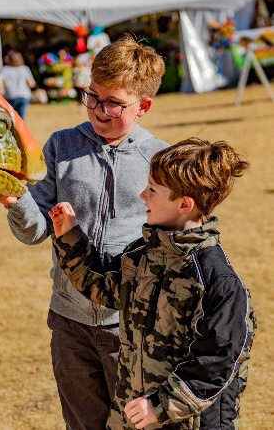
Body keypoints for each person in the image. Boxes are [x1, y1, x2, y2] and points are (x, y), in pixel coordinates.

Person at [0, 35, 167, 429]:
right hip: (69, 324)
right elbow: (35, 230)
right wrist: (16, 202)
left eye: (114, 104)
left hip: (133, 328)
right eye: (93, 97)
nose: (100, 111)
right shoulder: (60, 147)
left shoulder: (159, 159)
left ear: (143, 106)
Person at [49, 138, 256, 429]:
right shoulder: (145, 253)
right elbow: (104, 286)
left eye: (153, 191)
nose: (142, 195)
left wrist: (158, 406)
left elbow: (217, 361)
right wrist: (69, 237)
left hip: (185, 421)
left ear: (185, 204)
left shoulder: (215, 280)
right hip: (133, 415)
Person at [0, 50, 35, 120]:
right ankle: (21, 125)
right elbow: (31, 84)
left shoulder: (4, 70)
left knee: (11, 116)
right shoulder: (25, 69)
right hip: (24, 96)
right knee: (21, 115)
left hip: (11, 96)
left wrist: (1, 91)